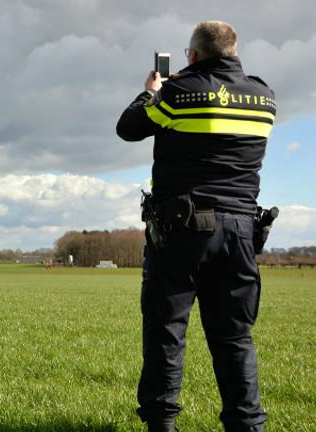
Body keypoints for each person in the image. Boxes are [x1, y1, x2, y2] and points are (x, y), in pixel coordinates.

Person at [116, 21, 275, 432]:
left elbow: (129, 128)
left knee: (167, 333)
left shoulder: (178, 93)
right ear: (235, 52)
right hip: (241, 231)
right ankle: (247, 425)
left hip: (182, 230)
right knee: (235, 338)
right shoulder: (264, 97)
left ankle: (162, 424)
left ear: (192, 55)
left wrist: (153, 89)